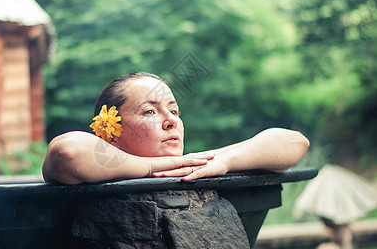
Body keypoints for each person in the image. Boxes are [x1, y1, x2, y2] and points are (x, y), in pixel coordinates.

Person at [42, 72, 310, 184]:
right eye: (149, 111)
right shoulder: (95, 163)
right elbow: (68, 152)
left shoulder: (194, 166)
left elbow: (295, 143)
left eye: (174, 110)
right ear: (111, 135)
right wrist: (150, 168)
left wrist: (225, 160)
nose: (170, 120)